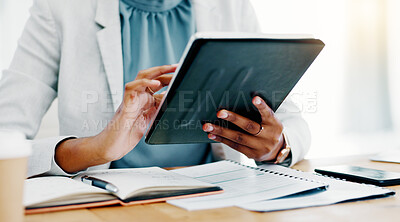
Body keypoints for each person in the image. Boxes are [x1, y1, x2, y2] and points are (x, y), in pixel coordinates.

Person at [0, 0, 311, 177]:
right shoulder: (61, 9)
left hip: (212, 196)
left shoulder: (229, 6)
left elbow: (293, 123)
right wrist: (95, 148)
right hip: (106, 205)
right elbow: (4, 139)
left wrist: (277, 147)